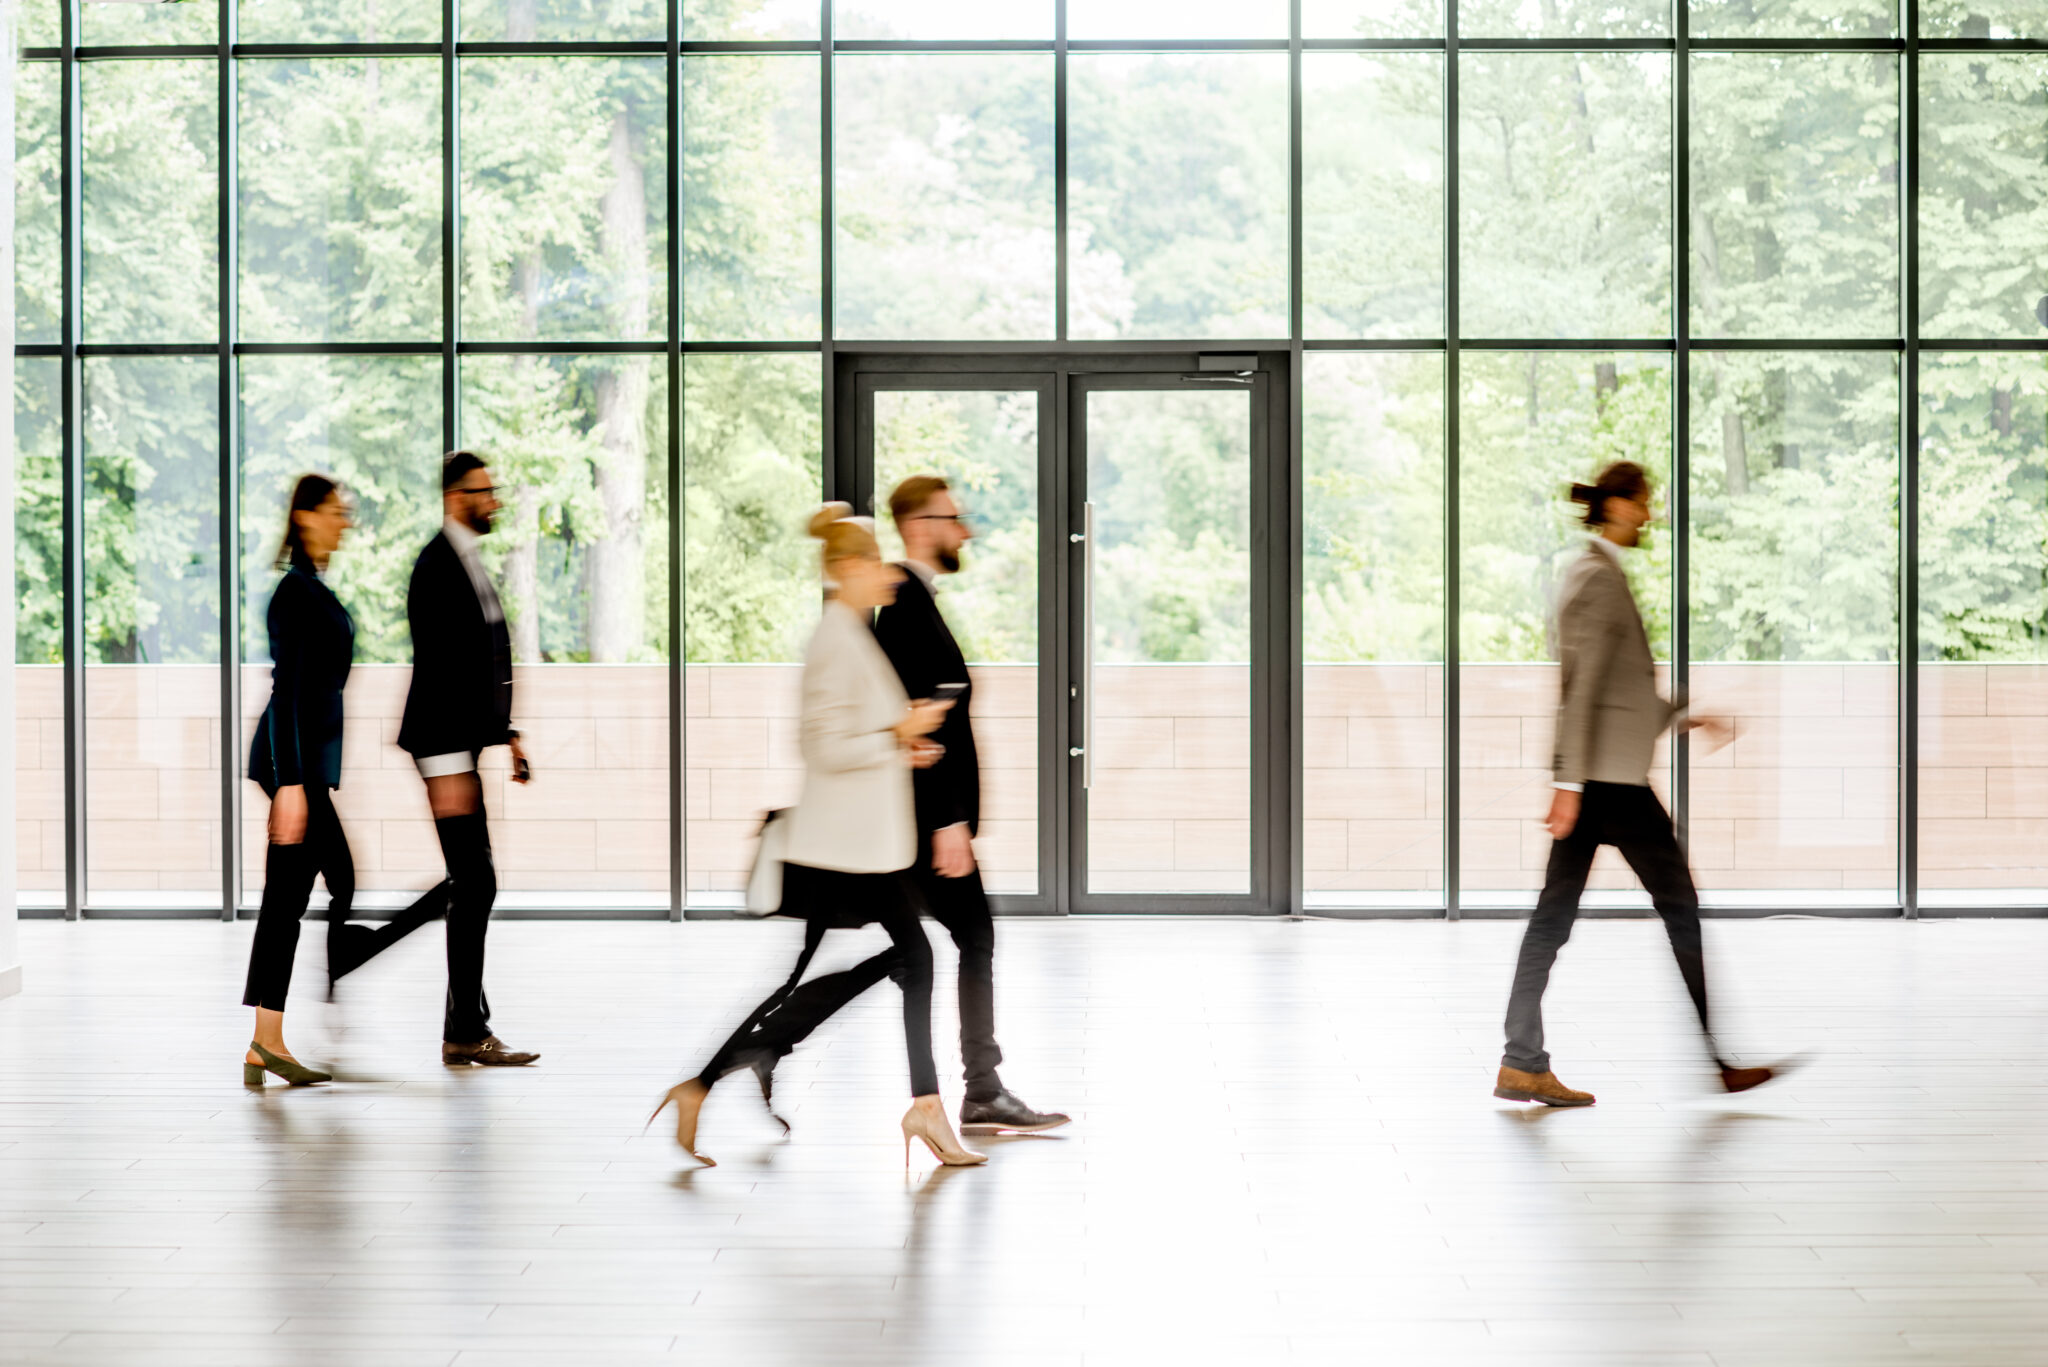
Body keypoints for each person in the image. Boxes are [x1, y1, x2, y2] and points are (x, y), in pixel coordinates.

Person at [651, 505, 985, 1169]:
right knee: (910, 958)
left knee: (901, 960)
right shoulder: (834, 639)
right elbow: (822, 746)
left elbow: (859, 733)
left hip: (863, 841)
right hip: (845, 846)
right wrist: (895, 735)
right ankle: (914, 1103)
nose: (889, 576)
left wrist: (904, 742)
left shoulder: (853, 634)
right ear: (844, 571)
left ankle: (710, 1079)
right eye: (874, 565)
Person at [736, 476, 1068, 1134]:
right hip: (918, 824)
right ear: (920, 524)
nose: (965, 529)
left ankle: (773, 1044)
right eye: (954, 517)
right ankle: (973, 1089)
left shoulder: (910, 601)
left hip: (913, 822)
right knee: (955, 942)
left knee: (914, 953)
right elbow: (911, 726)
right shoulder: (905, 605)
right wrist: (947, 819)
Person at [1495, 461, 1778, 1107]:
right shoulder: (1596, 578)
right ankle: (1719, 1062)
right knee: (1678, 907)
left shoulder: (1597, 574)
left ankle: (1521, 1060)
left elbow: (1620, 692)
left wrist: (1685, 714)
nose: (1649, 515)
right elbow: (1581, 689)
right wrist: (1565, 782)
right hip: (1609, 787)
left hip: (1603, 780)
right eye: (1643, 503)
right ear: (1617, 506)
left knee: (1553, 920)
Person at [385, 451, 538, 1067]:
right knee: (475, 881)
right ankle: (463, 1031)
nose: (493, 499)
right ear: (455, 497)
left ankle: (464, 1028)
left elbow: (483, 664)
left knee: (471, 882)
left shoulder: (465, 559)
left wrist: (506, 735)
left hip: (462, 742)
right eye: (483, 491)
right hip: (443, 743)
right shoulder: (437, 566)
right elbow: (444, 671)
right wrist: (456, 763)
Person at [241, 475, 356, 1087]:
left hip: (307, 770)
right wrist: (288, 785)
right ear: (306, 517)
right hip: (296, 772)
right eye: (337, 512)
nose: (346, 523)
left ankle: (271, 1037)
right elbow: (285, 693)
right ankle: (271, 1038)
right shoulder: (294, 593)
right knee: (294, 898)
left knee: (311, 892)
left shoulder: (311, 588)